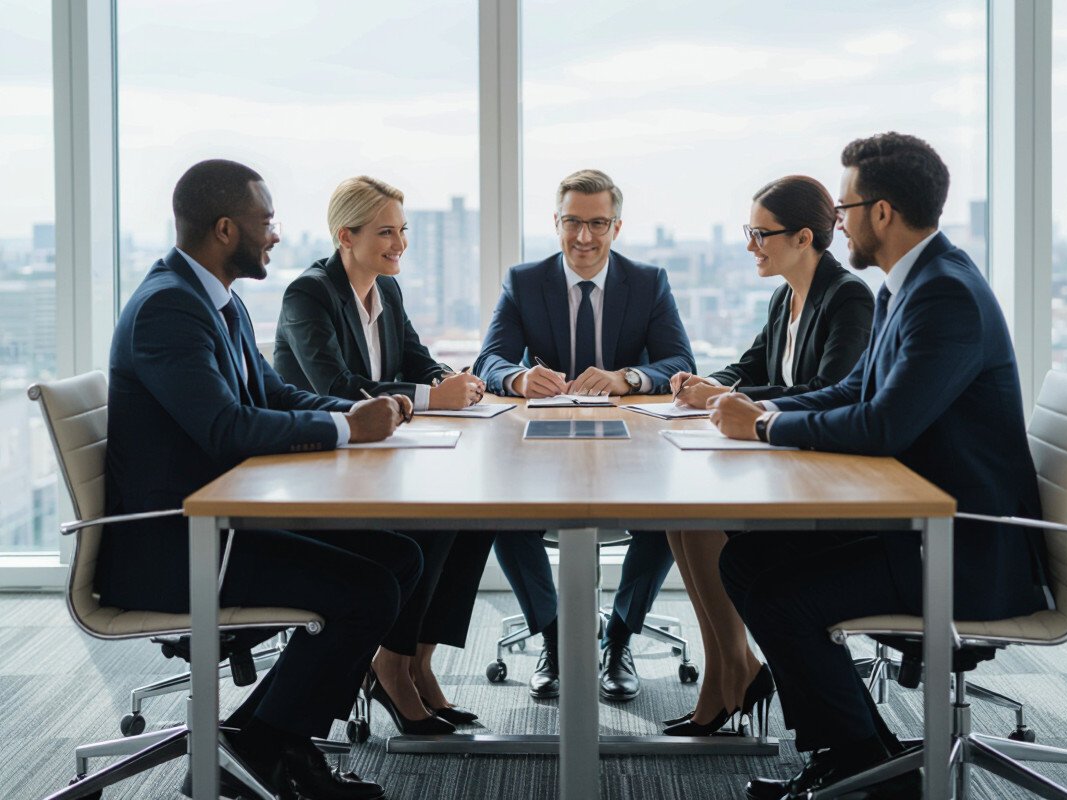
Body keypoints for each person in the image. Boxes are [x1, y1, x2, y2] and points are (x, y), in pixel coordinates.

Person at [709, 133, 1050, 800]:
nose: (838, 223)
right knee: (746, 558)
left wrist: (767, 426)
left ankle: (861, 766)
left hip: (964, 547)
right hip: (919, 525)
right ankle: (864, 755)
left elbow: (883, 424)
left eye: (846, 208)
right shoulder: (911, 283)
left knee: (780, 596)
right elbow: (854, 390)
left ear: (883, 213)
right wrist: (758, 409)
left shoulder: (944, 294)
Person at [100, 159, 422, 800]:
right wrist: (347, 429)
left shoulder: (215, 299)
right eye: (266, 221)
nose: (276, 234)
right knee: (367, 591)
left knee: (397, 556)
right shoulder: (169, 307)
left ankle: (265, 738)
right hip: (172, 546)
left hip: (221, 523)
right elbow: (226, 427)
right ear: (226, 229)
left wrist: (359, 416)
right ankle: (274, 746)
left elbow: (273, 394)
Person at [275, 175, 494, 734]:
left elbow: (417, 359)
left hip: (378, 459)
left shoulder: (386, 291)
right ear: (345, 236)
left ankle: (416, 662)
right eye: (386, 232)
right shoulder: (309, 294)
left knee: (476, 514)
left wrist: (450, 381)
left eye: (403, 230)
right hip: (320, 468)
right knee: (434, 519)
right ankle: (390, 668)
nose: (400, 244)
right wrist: (432, 398)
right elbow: (336, 386)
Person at [474, 168, 696, 702]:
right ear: (556, 222)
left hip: (629, 446)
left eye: (598, 223)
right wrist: (519, 378)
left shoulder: (648, 281)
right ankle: (554, 639)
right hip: (543, 447)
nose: (584, 237)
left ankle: (619, 638)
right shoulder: (525, 282)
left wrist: (627, 378)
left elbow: (680, 361)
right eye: (572, 222)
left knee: (666, 520)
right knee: (503, 516)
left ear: (616, 227)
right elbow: (489, 361)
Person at [662, 175, 873, 737]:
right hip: (783, 460)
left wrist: (730, 400)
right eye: (748, 231)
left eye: (761, 234)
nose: (750, 245)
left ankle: (732, 675)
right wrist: (707, 383)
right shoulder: (786, 296)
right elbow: (750, 367)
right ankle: (729, 671)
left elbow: (830, 390)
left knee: (703, 520)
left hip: (822, 475)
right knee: (683, 520)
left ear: (803, 237)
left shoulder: (848, 297)